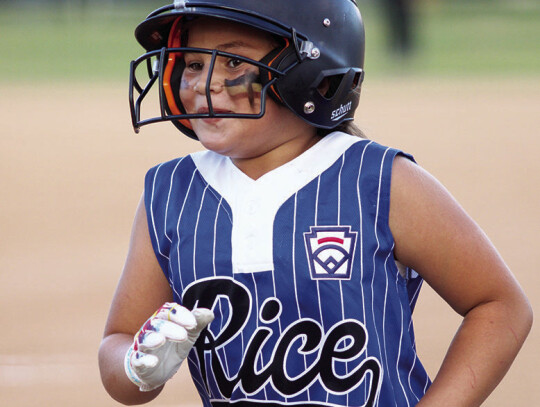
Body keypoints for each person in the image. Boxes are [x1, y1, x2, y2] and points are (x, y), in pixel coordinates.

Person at [98, 1, 532, 406]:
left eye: (232, 60)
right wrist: (138, 367)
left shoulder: (379, 180)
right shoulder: (170, 191)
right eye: (193, 62)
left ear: (312, 72)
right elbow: (116, 342)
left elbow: (499, 305)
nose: (203, 81)